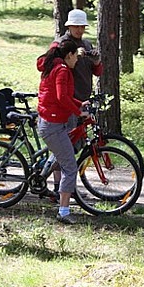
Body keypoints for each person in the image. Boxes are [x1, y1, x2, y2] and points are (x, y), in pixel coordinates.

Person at [37, 9, 103, 199]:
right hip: (64, 104)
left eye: (82, 26)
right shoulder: (60, 43)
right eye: (76, 26)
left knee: (73, 146)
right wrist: (61, 56)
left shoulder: (87, 43)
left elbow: (98, 71)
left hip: (80, 102)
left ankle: (64, 187)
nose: (79, 30)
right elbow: (43, 64)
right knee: (64, 149)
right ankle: (59, 187)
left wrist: (96, 61)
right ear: (69, 26)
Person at [36, 39, 89, 224]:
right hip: (52, 125)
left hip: (51, 121)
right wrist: (78, 111)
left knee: (61, 157)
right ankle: (63, 212)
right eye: (76, 56)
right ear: (69, 55)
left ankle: (43, 178)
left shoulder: (55, 67)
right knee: (70, 167)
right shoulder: (63, 70)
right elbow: (61, 97)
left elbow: (65, 96)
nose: (77, 60)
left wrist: (79, 104)